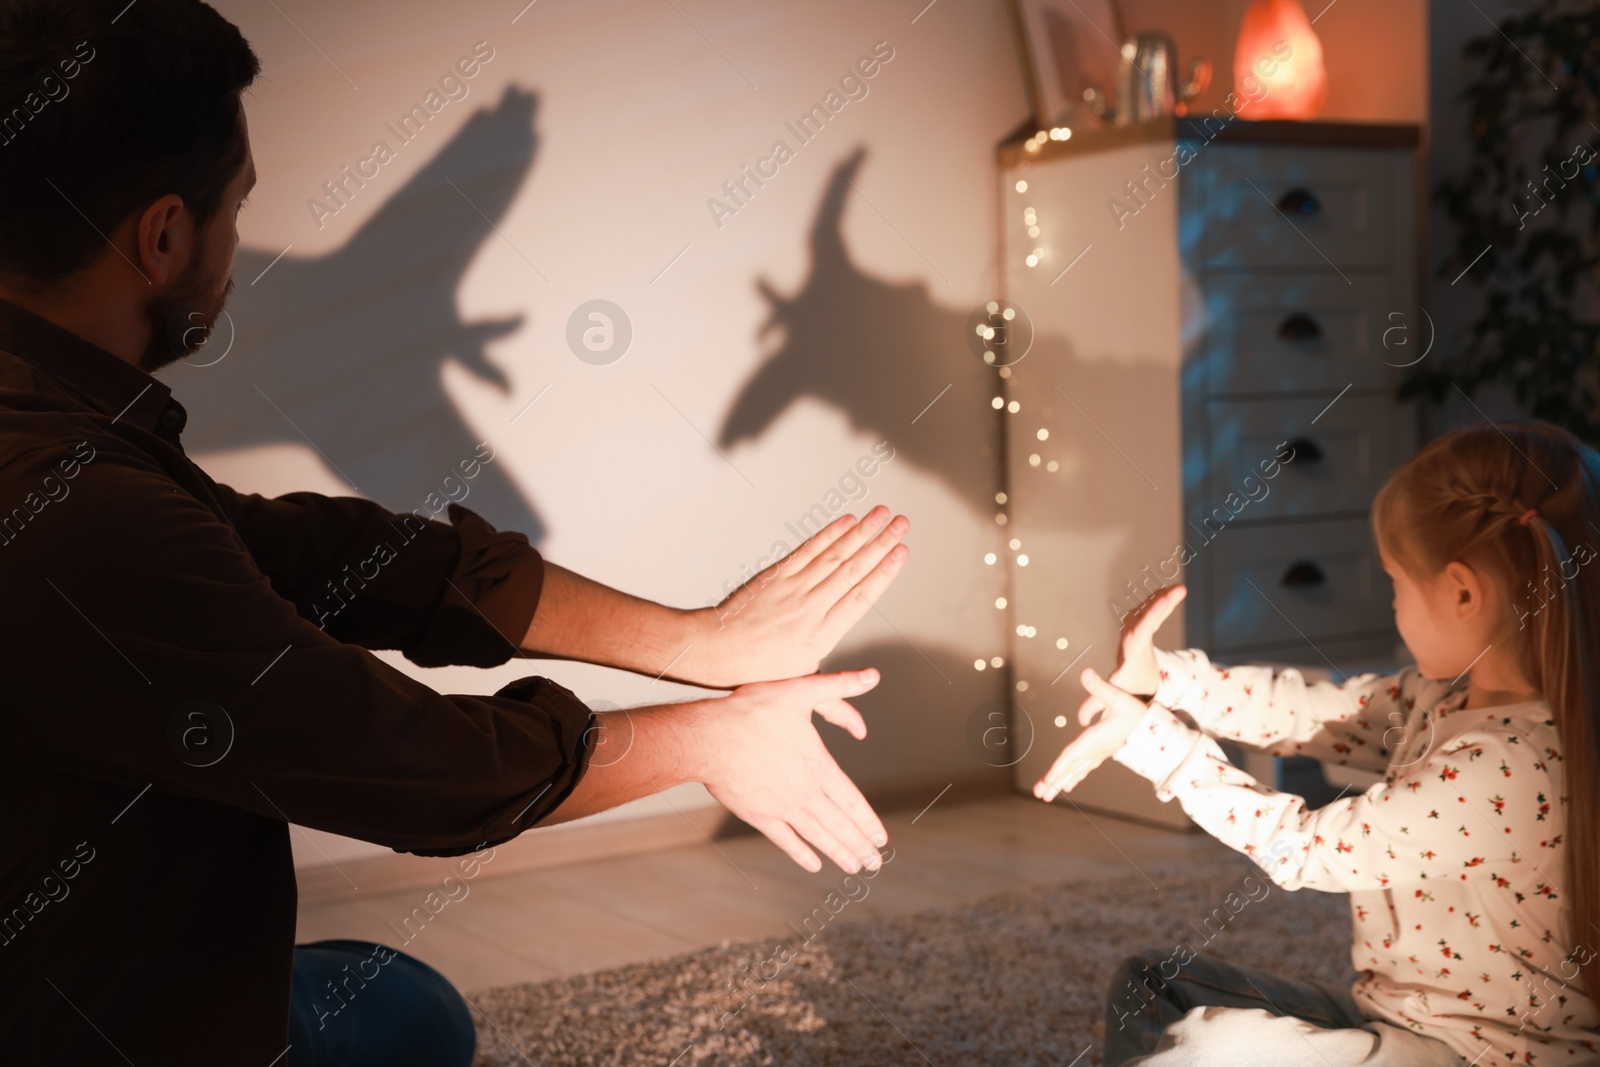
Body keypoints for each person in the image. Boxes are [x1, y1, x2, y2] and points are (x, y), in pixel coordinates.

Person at [0, 1, 910, 1063]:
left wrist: (705, 642)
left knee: (409, 1001)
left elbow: (303, 554)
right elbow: (412, 763)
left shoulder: (57, 436)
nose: (240, 249)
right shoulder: (72, 514)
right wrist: (708, 739)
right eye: (237, 210)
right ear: (162, 235)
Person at [1037, 420, 1600, 1066]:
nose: (1392, 604)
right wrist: (1166, 680)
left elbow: (1302, 847)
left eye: (1395, 583)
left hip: (1474, 1056)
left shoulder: (1509, 770)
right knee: (1153, 984)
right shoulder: (1449, 697)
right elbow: (1312, 710)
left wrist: (1149, 740)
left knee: (1208, 1049)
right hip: (1398, 1023)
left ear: (1463, 592)